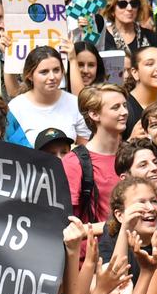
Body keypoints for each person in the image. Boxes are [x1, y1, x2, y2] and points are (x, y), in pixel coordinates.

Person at [62, 82, 128, 223]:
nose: (124, 112)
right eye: (116, 107)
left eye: (125, 105)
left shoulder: (134, 153)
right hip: (95, 243)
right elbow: (68, 219)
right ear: (94, 114)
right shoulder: (74, 162)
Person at [8, 46, 91, 143]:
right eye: (44, 72)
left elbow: (85, 145)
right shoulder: (15, 107)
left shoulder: (74, 103)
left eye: (56, 70)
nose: (52, 77)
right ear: (30, 76)